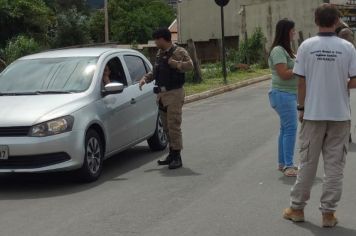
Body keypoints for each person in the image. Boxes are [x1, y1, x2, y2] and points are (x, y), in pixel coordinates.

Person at [283, 4, 356, 228]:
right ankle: (328, 214)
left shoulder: (306, 46)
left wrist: (301, 108)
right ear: (336, 22)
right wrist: (341, 83)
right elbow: (354, 80)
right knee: (335, 166)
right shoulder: (347, 47)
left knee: (307, 163)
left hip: (313, 114)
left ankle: (296, 209)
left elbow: (301, 81)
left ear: (316, 21)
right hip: (340, 116)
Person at [139, 28, 193, 169]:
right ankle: (171, 153)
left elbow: (190, 66)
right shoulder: (160, 53)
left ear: (163, 39)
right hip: (161, 95)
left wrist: (176, 64)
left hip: (174, 93)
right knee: (167, 128)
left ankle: (177, 156)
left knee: (174, 126)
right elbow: (155, 71)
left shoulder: (179, 52)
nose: (155, 42)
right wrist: (146, 78)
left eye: (157, 39)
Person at [268, 19, 298, 177]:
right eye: (292, 30)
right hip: (282, 94)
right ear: (286, 31)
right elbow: (283, 74)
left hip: (288, 94)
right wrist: (300, 65)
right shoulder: (278, 50)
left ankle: (282, 163)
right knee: (291, 129)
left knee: (285, 129)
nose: (294, 33)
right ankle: (288, 165)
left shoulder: (287, 50)